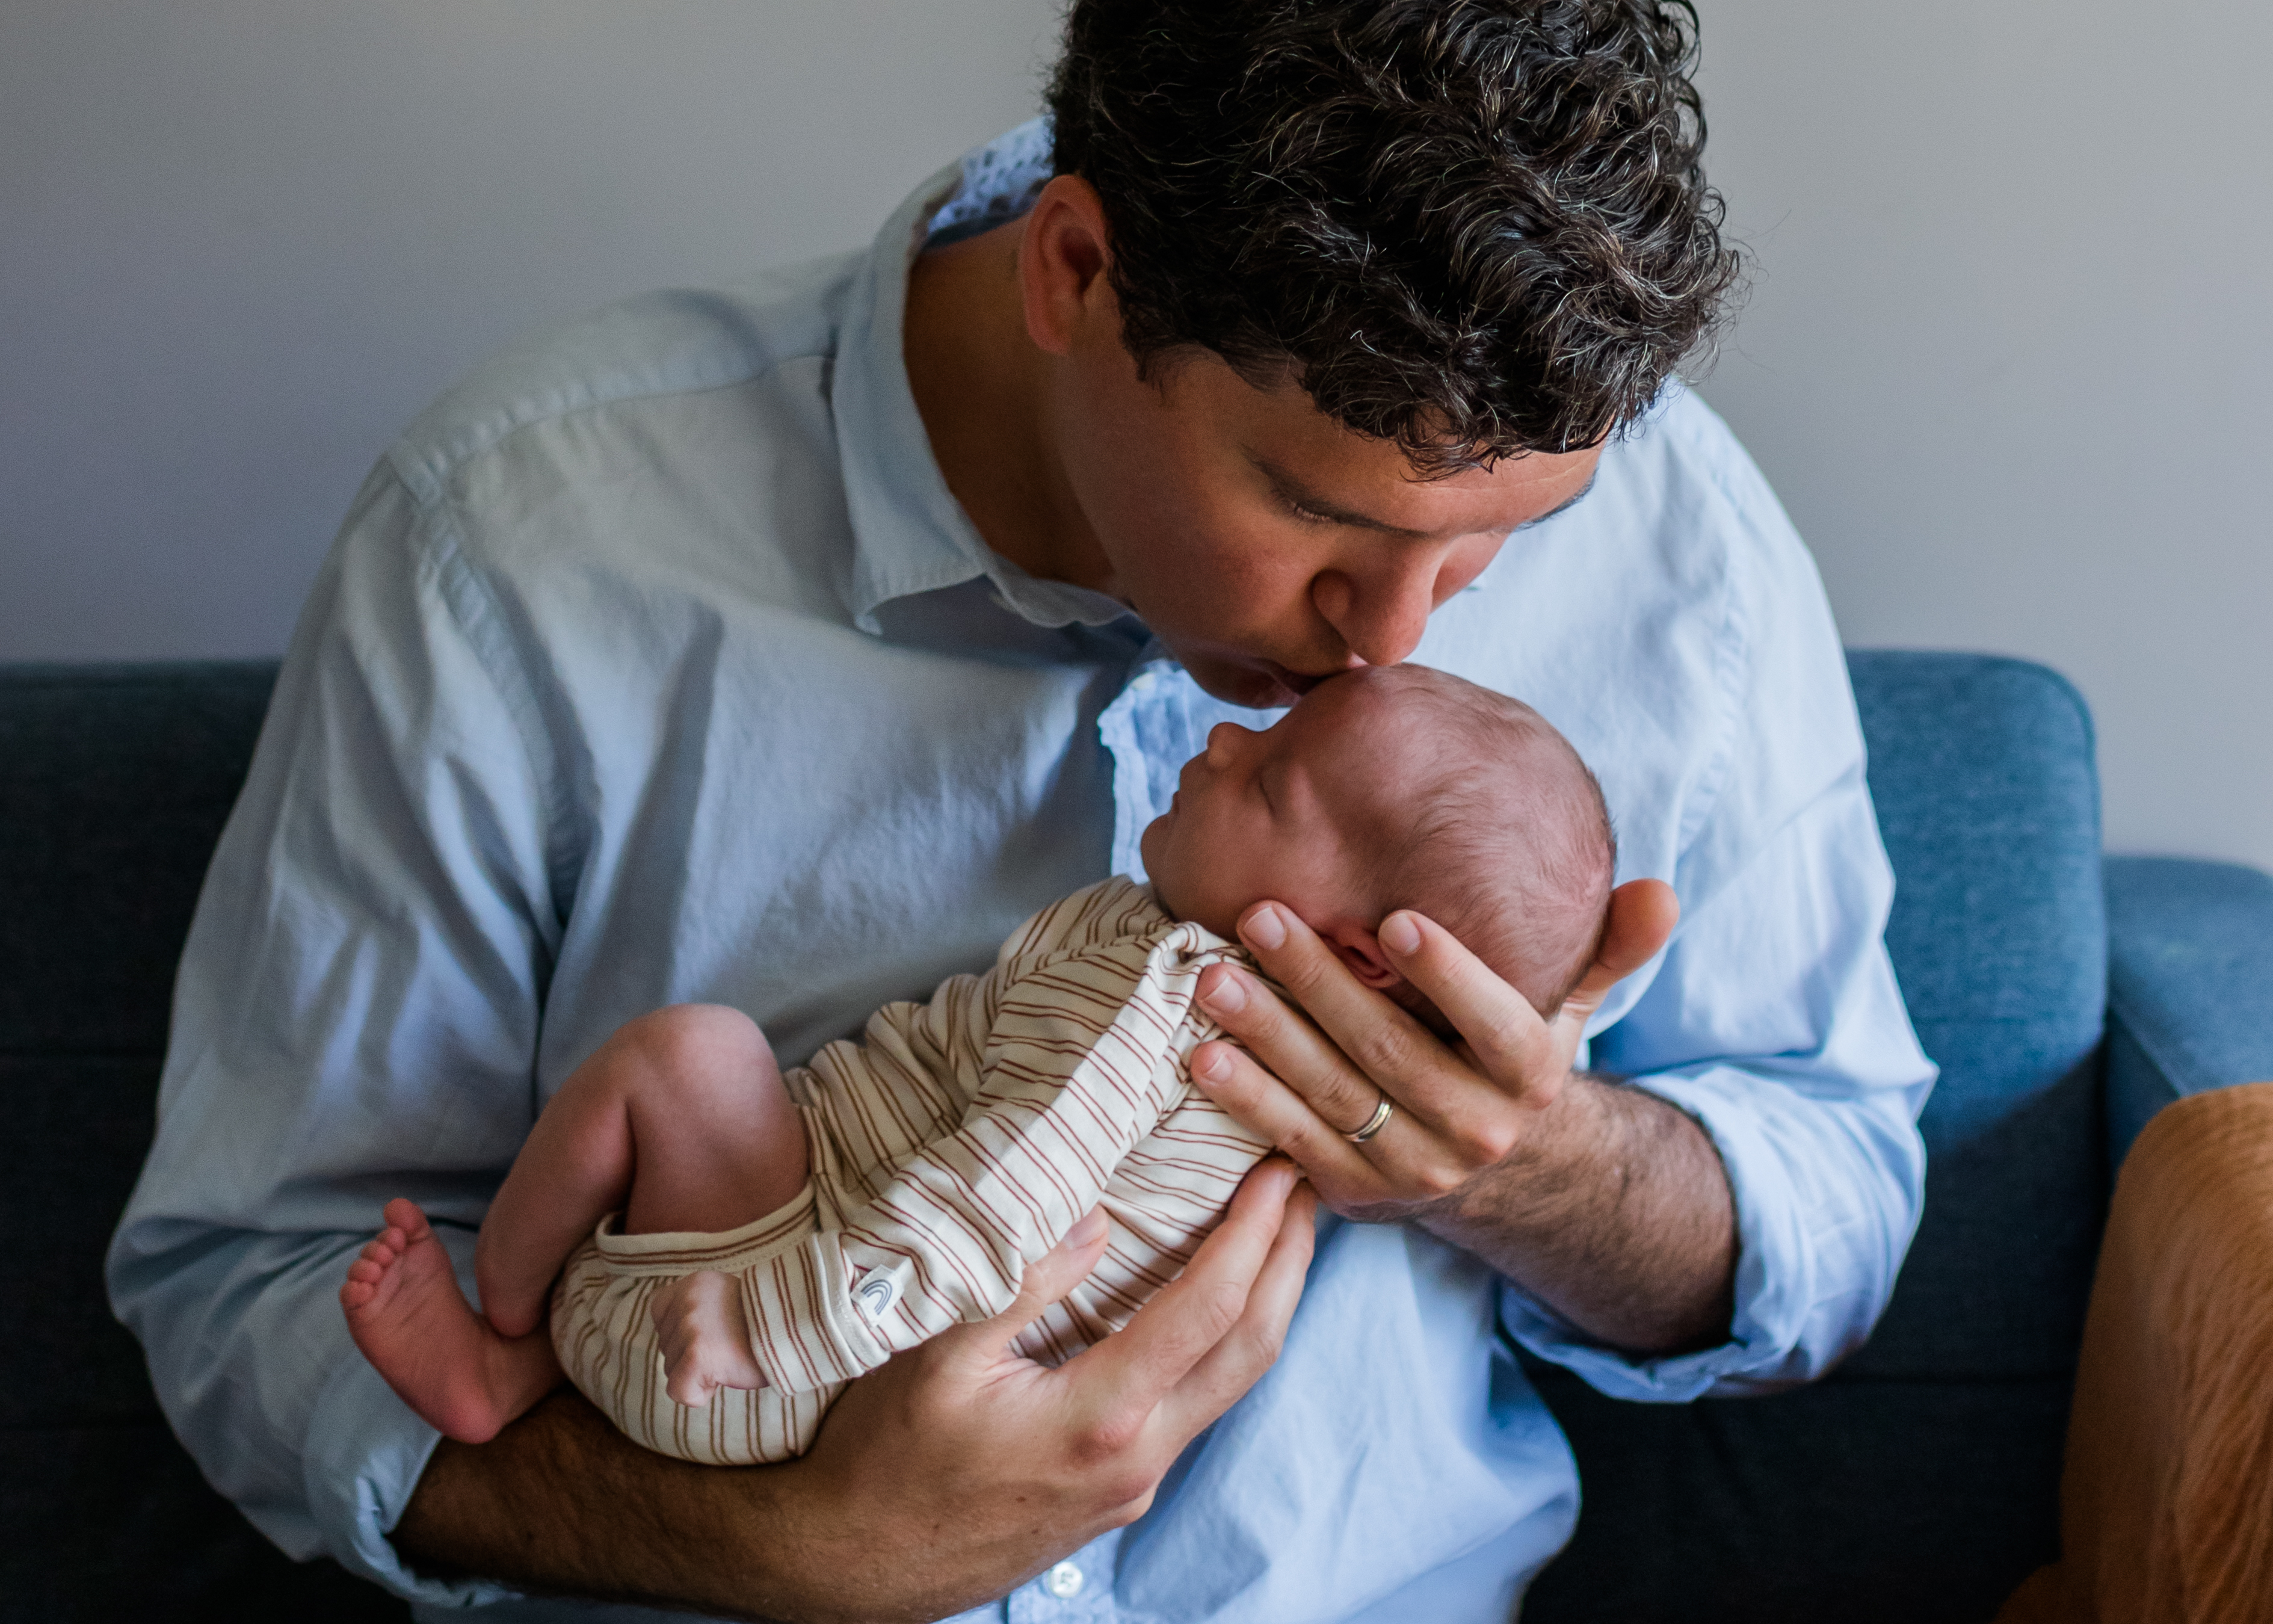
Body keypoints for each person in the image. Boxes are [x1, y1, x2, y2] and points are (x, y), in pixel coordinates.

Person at [109, 4, 1937, 1620]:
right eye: (1319, 513)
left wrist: (1533, 1162)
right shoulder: (516, 539)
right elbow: (248, 1288)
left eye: (1504, 544)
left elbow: (1836, 1214)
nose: (1394, 640)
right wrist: (765, 1545)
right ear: (1073, 271)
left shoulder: (1682, 543)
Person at [341, 667, 1615, 1466]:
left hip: (781, 1349)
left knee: (690, 1057)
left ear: (1356, 957)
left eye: (1272, 784)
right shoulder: (1260, 1043)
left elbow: (998, 1205)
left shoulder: (1164, 1004)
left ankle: (506, 1335)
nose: (1224, 743)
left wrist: (764, 1325)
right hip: (832, 1322)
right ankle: (531, 1362)